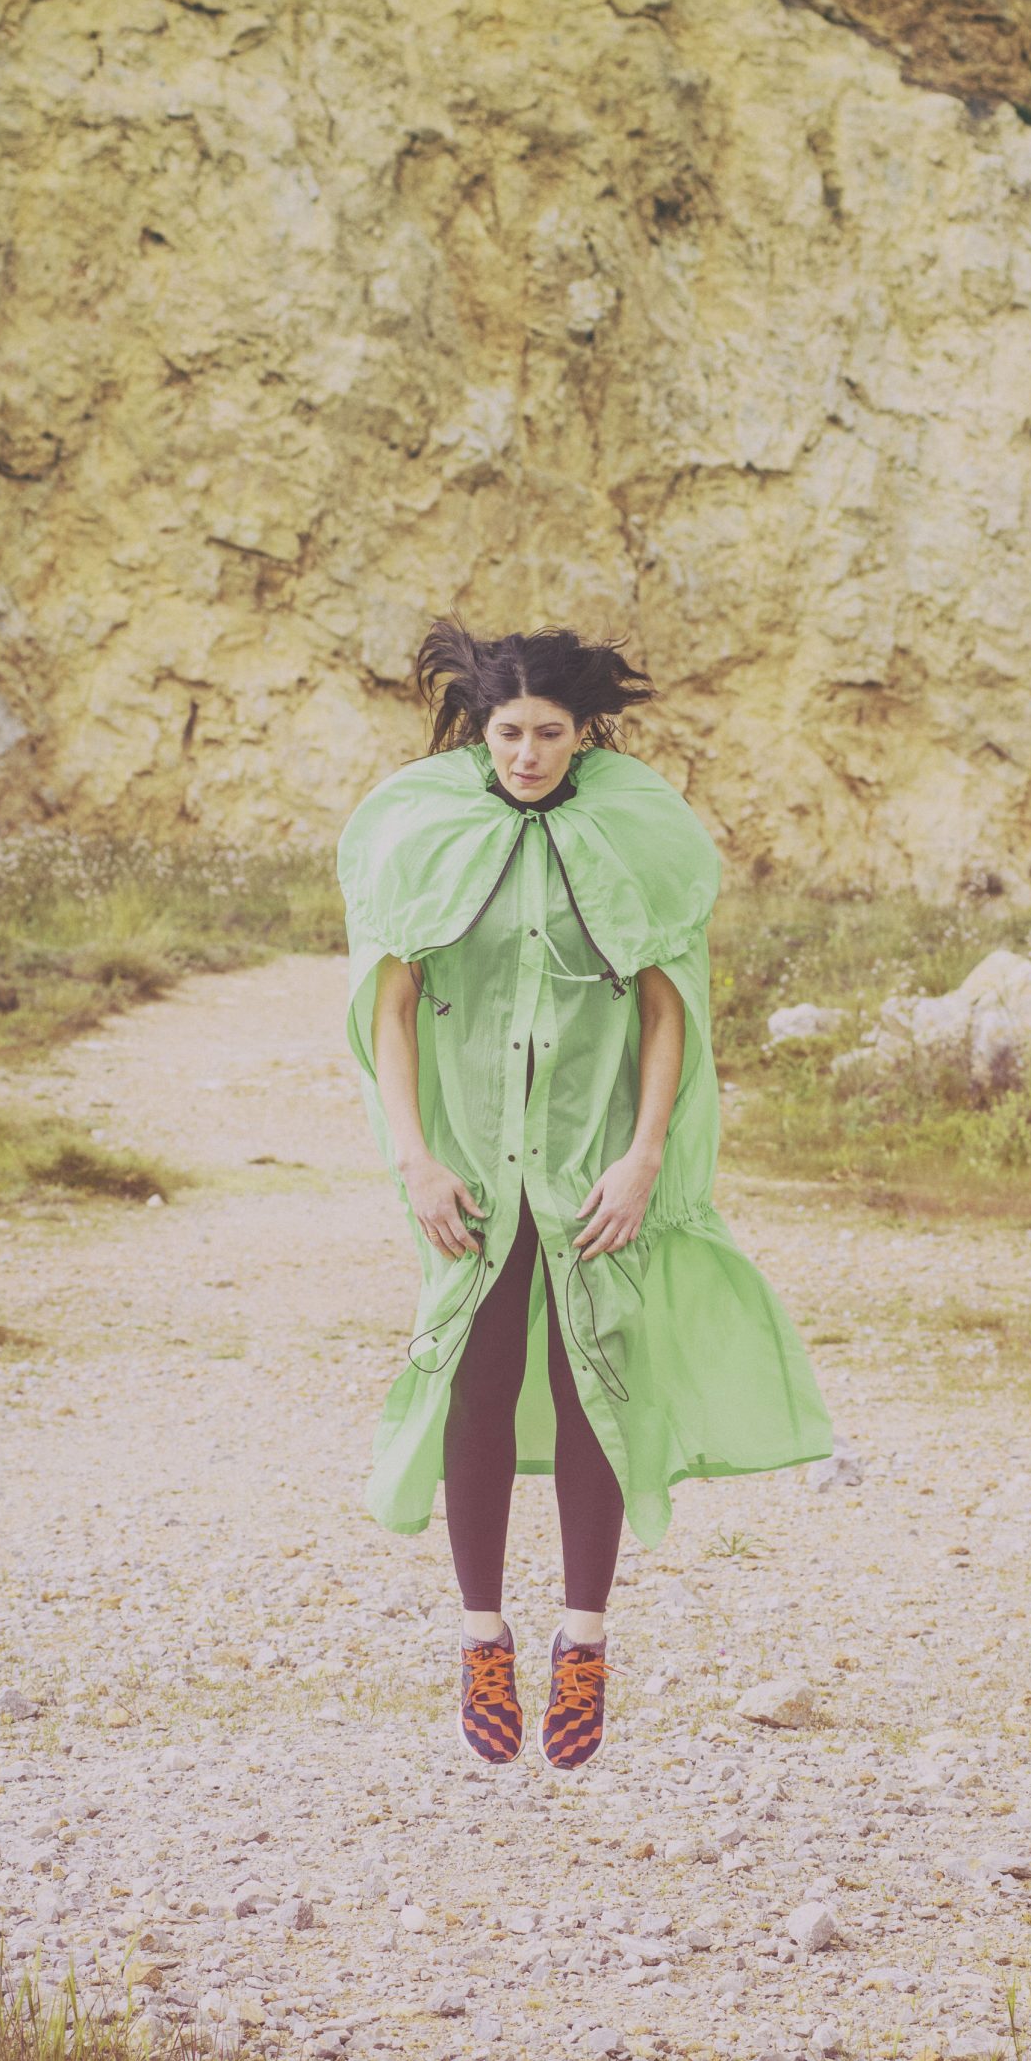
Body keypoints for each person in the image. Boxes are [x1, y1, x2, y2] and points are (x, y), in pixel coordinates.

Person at [335, 618, 834, 1770]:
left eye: (549, 733)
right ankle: (482, 1640)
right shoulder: (425, 828)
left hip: (591, 1153)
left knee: (591, 1377)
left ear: (583, 731)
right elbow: (392, 1007)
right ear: (480, 726)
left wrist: (644, 1153)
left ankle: (584, 1642)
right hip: (468, 1156)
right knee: (477, 1374)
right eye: (508, 732)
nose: (526, 754)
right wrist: (414, 1154)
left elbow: (667, 1009)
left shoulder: (630, 828)